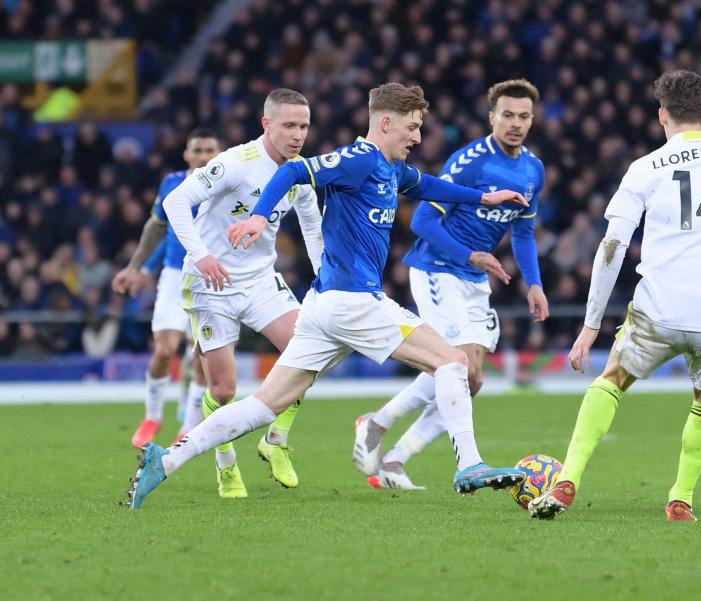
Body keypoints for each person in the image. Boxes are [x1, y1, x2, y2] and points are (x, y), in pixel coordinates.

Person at [125, 83, 529, 509]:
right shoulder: (358, 159)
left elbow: (429, 186)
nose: (417, 138)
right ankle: (470, 464)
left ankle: (166, 460)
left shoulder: (391, 168)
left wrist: (484, 196)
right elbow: (295, 171)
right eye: (412, 128)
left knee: (264, 405)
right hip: (353, 301)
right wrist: (260, 216)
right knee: (454, 362)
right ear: (385, 123)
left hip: (323, 307)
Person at [528, 70, 701, 522]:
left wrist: (590, 325)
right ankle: (680, 497)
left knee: (612, 379)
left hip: (661, 310)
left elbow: (612, 246)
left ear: (661, 115)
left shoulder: (645, 167)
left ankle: (567, 479)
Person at [353, 79, 549, 490]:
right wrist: (469, 255)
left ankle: (390, 450)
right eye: (507, 115)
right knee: (458, 367)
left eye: (524, 116)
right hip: (438, 269)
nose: (515, 123)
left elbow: (524, 232)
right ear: (492, 116)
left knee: (471, 379)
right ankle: (385, 433)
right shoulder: (472, 160)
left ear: (533, 119)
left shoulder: (533, 169)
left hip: (475, 279)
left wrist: (534, 284)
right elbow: (422, 220)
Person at [156, 89, 325, 497]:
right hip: (211, 285)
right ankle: (226, 465)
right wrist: (200, 256)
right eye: (289, 125)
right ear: (266, 124)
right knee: (223, 390)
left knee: (312, 348)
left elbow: (312, 227)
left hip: (260, 280)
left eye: (303, 126)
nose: (298, 134)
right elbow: (175, 202)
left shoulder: (300, 171)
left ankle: (275, 440)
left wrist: (325, 280)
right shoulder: (236, 162)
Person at [112, 128, 219, 447]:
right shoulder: (172, 183)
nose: (203, 156)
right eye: (197, 150)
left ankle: (187, 426)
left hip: (212, 277)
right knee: (163, 350)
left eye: (209, 150)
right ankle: (152, 417)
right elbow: (157, 227)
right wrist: (135, 267)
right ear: (187, 154)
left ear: (219, 153)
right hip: (175, 275)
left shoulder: (228, 184)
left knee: (203, 355)